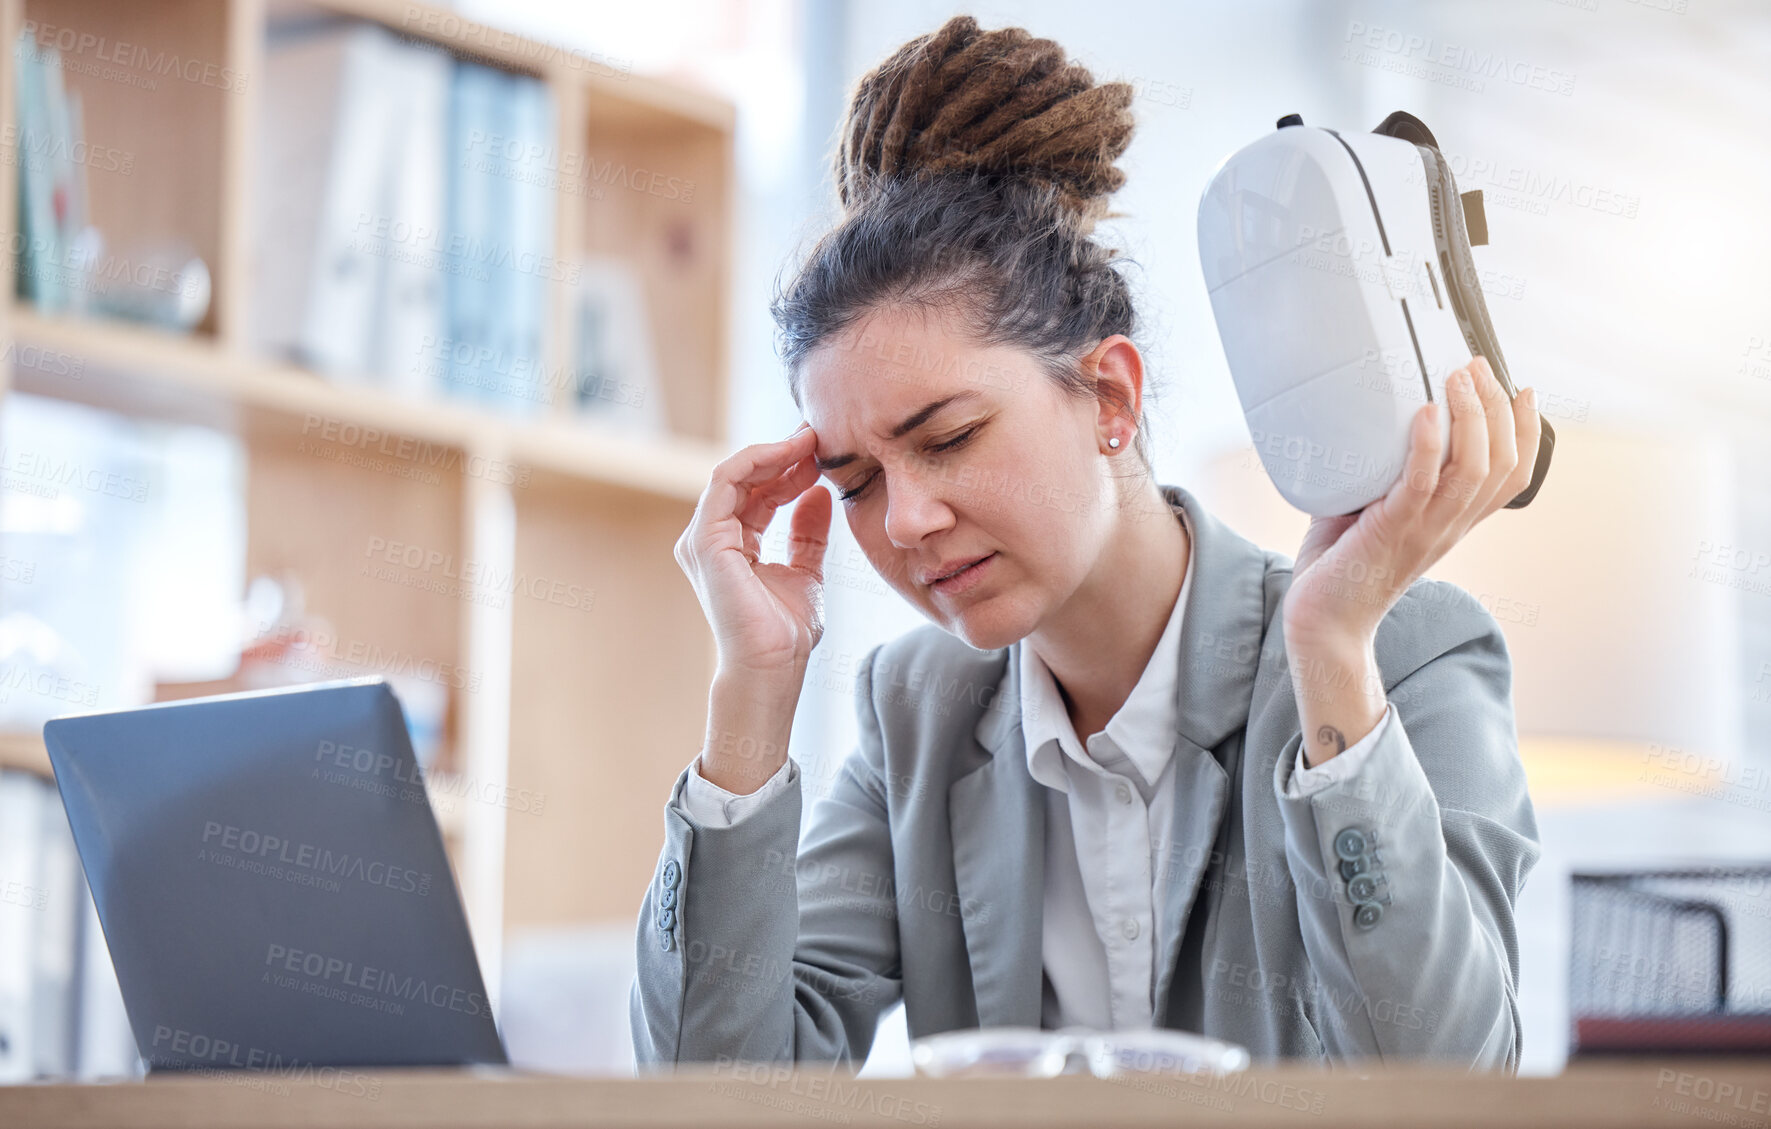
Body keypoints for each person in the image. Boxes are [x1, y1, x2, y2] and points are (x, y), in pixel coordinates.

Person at [631, 14, 1542, 1071]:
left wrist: (1332, 649)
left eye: (951, 438)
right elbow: (716, 1090)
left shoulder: (1408, 653)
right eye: (857, 481)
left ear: (1108, 393)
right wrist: (752, 688)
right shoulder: (917, 714)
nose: (906, 521)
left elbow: (1449, 1083)